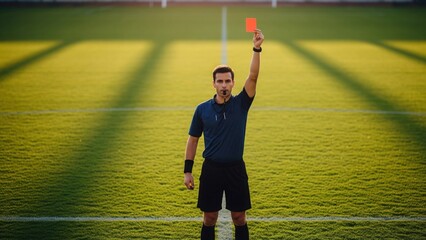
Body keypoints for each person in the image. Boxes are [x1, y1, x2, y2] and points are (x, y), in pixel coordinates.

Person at [183, 29, 264, 240]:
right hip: (211, 169)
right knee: (209, 218)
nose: (224, 85)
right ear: (214, 84)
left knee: (239, 217)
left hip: (236, 168)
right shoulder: (202, 109)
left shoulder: (241, 104)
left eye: (228, 81)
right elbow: (193, 139)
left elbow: (253, 76)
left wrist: (257, 48)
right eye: (220, 81)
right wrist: (187, 171)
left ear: (233, 83)